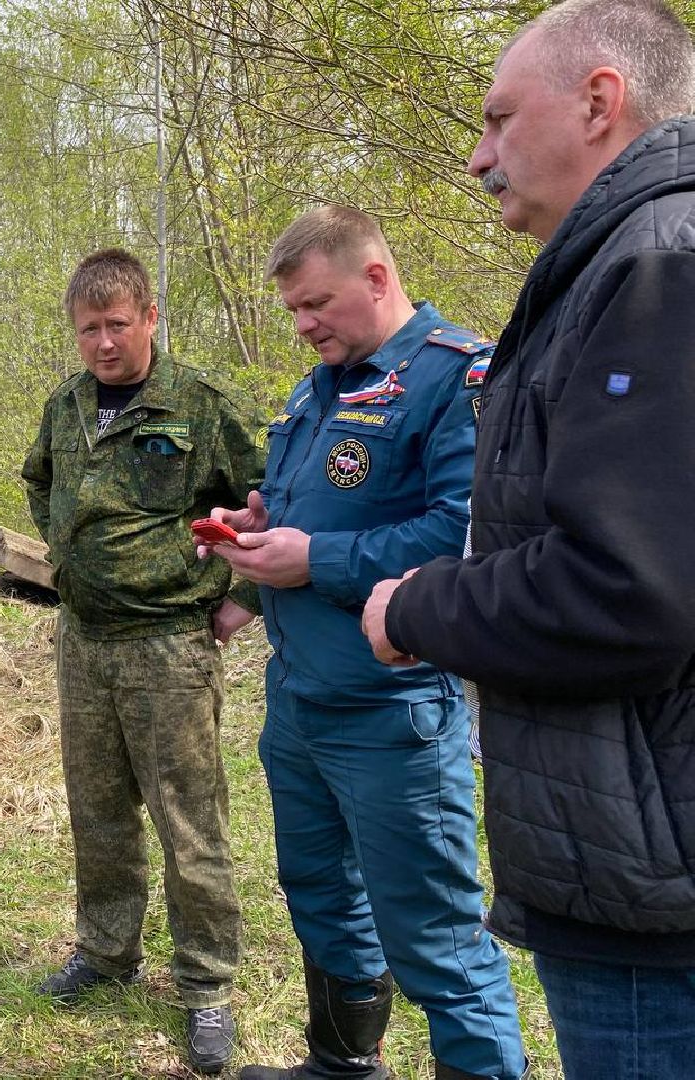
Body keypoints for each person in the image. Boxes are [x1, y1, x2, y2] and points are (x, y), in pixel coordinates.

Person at [362, 3, 695, 1077]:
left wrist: (416, 605)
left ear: (600, 102)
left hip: (655, 896)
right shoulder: (629, 262)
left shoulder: (655, 268)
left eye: (502, 118)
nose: (477, 155)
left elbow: (622, 592)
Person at [206, 206, 525, 1080]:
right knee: (321, 898)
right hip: (300, 700)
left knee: (437, 938)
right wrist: (259, 523)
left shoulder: (458, 378)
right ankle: (342, 1066)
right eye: (294, 312)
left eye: (316, 304)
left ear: (377, 278)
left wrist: (317, 558)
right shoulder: (319, 388)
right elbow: (313, 508)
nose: (304, 325)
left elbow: (469, 538)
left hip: (393, 715)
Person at [21, 247, 264, 1075]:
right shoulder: (66, 407)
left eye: (117, 325)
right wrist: (66, 555)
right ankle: (106, 952)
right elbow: (40, 481)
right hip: (83, 642)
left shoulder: (198, 406)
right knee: (97, 809)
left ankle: (205, 986)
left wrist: (241, 597)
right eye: (88, 329)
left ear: (151, 317)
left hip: (169, 644)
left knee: (188, 818)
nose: (103, 344)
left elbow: (275, 496)